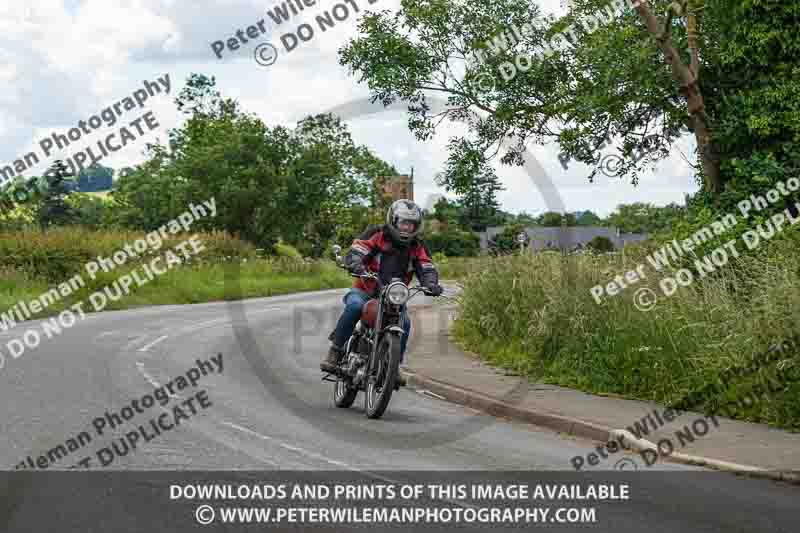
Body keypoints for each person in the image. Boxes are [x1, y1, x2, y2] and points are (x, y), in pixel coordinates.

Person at [321, 200, 443, 379]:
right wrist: (355, 263)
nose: (407, 228)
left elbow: (426, 267)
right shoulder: (377, 234)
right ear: (393, 221)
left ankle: (394, 365)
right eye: (404, 223)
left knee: (405, 323)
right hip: (365, 290)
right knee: (354, 306)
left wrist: (431, 283)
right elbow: (358, 249)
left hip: (394, 297)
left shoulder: (417, 246)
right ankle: (336, 350)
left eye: (411, 225)